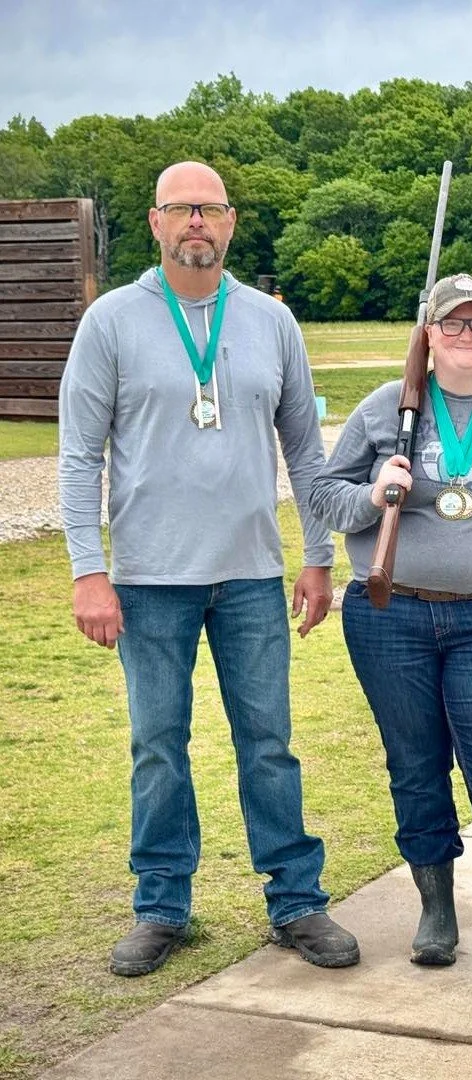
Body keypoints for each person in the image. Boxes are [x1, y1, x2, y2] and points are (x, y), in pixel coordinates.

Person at [57, 161, 359, 977]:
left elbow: (304, 449)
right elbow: (81, 455)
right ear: (155, 222)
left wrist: (319, 555)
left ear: (231, 222)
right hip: (149, 581)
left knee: (268, 743)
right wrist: (90, 570)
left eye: (211, 209)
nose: (198, 221)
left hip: (253, 578)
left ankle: (297, 900)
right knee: (159, 745)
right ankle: (162, 906)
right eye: (182, 209)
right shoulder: (112, 322)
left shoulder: (271, 322)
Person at [309, 273, 472, 988]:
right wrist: (374, 492)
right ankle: (437, 911)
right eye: (451, 325)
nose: (466, 336)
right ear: (428, 334)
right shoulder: (387, 408)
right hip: (388, 613)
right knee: (415, 766)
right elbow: (324, 499)